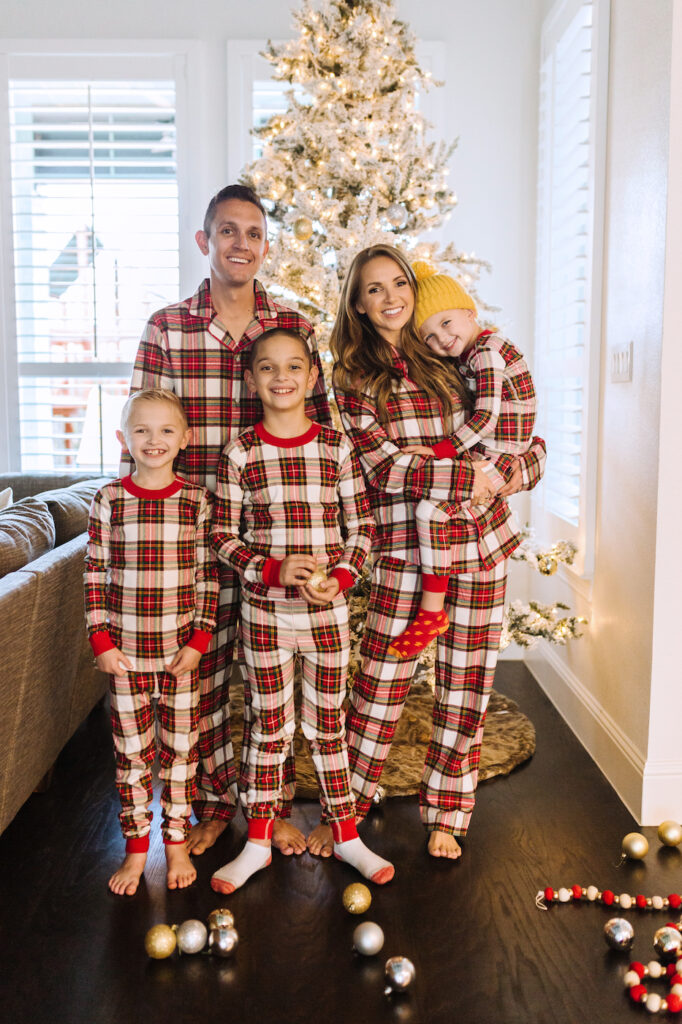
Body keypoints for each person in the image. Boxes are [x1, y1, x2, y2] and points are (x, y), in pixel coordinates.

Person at [321, 244, 545, 861]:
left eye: (399, 283)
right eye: (374, 289)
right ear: (358, 304)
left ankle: (448, 812)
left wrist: (506, 474)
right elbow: (382, 466)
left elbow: (526, 441)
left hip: (481, 548)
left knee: (465, 685)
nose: (390, 297)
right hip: (406, 556)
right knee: (380, 680)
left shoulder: (456, 357)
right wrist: (466, 476)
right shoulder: (353, 378)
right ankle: (349, 807)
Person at [126, 184, 332, 858]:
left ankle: (271, 810)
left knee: (278, 687)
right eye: (227, 232)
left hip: (281, 534)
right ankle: (215, 806)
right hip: (194, 530)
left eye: (253, 233)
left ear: (265, 245)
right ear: (205, 242)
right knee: (207, 675)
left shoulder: (291, 324)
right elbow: (138, 425)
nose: (241, 244)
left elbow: (320, 425)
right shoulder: (169, 327)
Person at [209, 328, 394, 894]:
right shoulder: (240, 451)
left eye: (294, 367)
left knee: (327, 727)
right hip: (264, 617)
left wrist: (338, 577)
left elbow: (363, 530)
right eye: (268, 368)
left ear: (313, 378)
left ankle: (346, 835)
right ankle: (258, 842)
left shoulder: (336, 448)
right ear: (251, 379)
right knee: (270, 728)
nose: (282, 377)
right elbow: (221, 534)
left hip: (326, 620)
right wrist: (268, 568)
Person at [84, 388, 219, 895]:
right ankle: (137, 848)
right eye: (141, 430)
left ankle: (177, 841)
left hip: (181, 658)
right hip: (124, 659)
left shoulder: (195, 502)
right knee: (132, 757)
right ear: (123, 438)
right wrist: (100, 640)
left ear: (186, 439)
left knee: (182, 755)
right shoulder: (109, 500)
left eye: (165, 430)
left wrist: (200, 639)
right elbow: (95, 571)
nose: (153, 440)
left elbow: (207, 577)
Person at [387, 259, 537, 659]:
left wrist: (441, 451)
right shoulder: (478, 351)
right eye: (430, 337)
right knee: (442, 514)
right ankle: (437, 606)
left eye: (447, 324)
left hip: (500, 454)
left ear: (469, 312)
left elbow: (486, 417)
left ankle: (433, 610)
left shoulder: (487, 353)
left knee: (431, 513)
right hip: (499, 453)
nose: (441, 340)